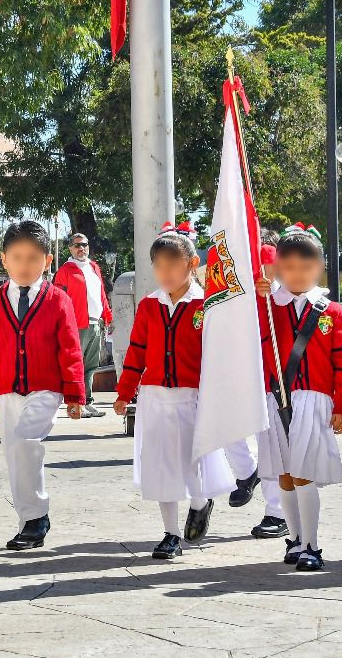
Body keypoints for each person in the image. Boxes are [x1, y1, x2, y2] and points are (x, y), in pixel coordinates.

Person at [113, 230, 234, 560]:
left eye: (173, 264)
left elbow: (218, 355)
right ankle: (170, 534)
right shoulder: (150, 305)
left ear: (193, 264)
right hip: (155, 398)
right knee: (162, 466)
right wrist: (125, 392)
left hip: (193, 397)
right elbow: (137, 351)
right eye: (158, 266)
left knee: (191, 461)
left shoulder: (205, 305)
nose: (165, 273)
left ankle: (200, 501)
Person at [252, 225, 342, 571]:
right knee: (284, 473)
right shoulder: (268, 306)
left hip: (313, 401)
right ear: (279, 267)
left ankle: (312, 544)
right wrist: (258, 297)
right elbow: (258, 344)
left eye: (305, 267)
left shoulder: (331, 310)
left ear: (320, 268)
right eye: (289, 267)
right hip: (277, 399)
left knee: (303, 473)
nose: (297, 274)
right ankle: (294, 540)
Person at [0, 220, 85, 550]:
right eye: (17, 257)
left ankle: (38, 515)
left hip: (46, 387)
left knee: (26, 442)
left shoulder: (58, 300)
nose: (25, 266)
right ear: (4, 259)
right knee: (14, 453)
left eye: (33, 258)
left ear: (47, 260)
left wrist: (74, 392)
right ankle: (28, 522)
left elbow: (70, 346)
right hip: (8, 390)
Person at [226, 232, 286, 539]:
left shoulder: (270, 265)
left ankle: (277, 512)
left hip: (269, 376)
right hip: (240, 370)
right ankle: (247, 474)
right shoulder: (233, 266)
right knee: (227, 428)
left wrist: (270, 288)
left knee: (270, 445)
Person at [54, 233, 113, 418]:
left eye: (85, 244)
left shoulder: (94, 267)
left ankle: (87, 402)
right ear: (70, 248)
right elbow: (58, 299)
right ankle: (75, 403)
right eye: (77, 245)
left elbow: (101, 293)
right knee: (75, 365)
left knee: (91, 366)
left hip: (95, 323)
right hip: (75, 325)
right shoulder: (65, 270)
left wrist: (108, 316)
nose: (81, 248)